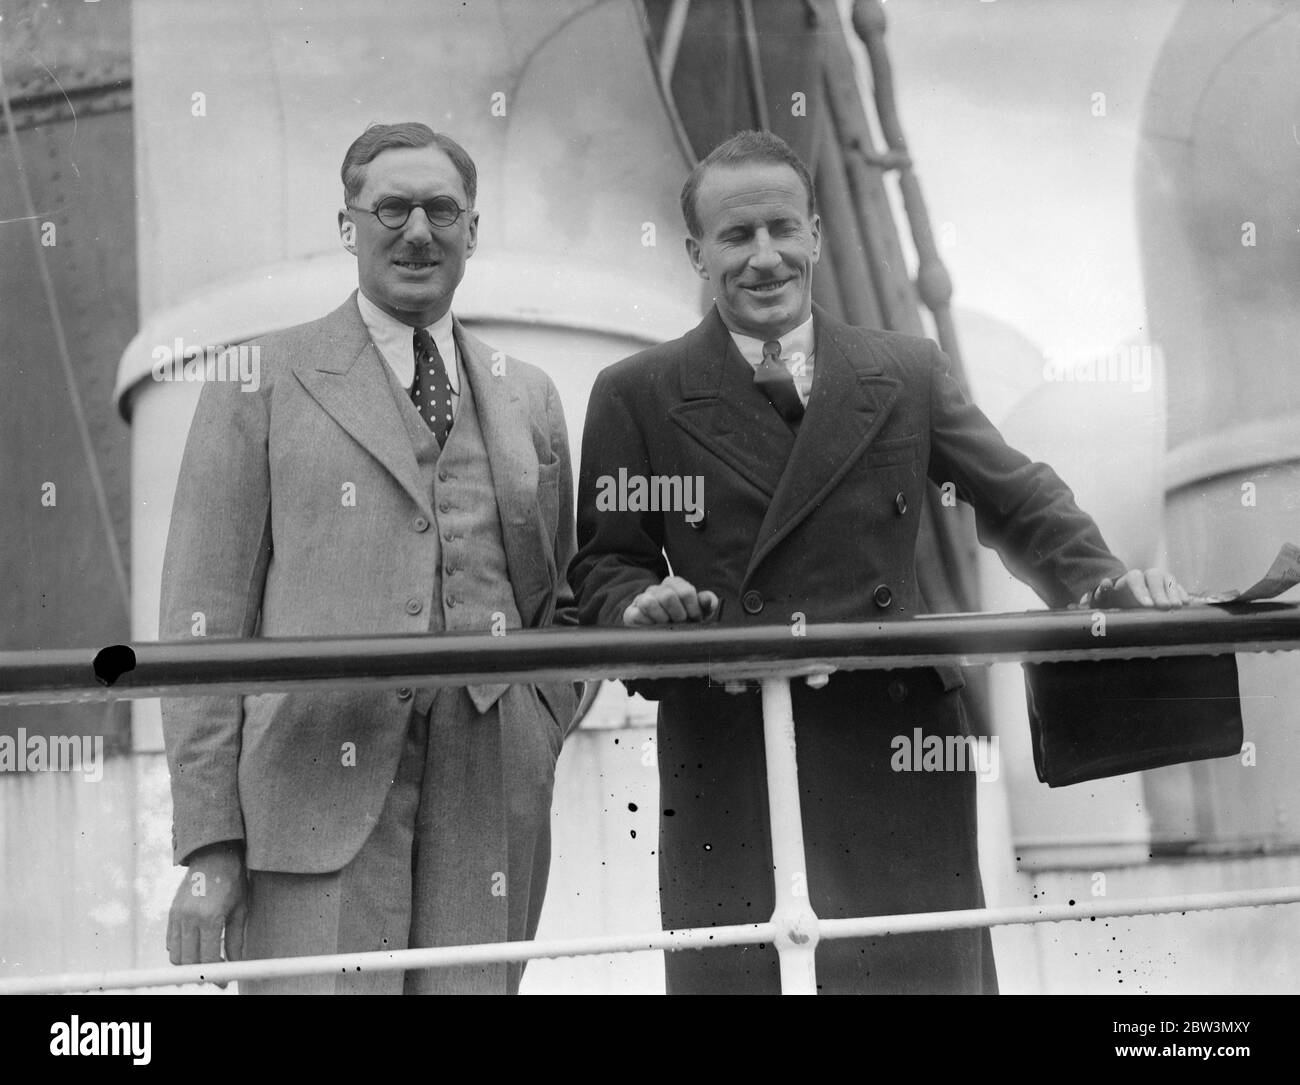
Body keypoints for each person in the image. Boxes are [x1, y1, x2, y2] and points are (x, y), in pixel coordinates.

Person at [568, 129, 1190, 995]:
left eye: (783, 229)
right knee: (747, 977)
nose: (765, 257)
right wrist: (640, 605)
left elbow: (1019, 498)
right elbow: (605, 565)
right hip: (730, 752)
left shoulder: (904, 372)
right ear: (695, 255)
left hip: (896, 746)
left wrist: (1108, 585)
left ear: (816, 235)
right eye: (736, 237)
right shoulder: (639, 394)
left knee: (913, 975)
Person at [160, 122, 578, 994]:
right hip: (313, 799)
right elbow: (200, 621)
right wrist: (210, 842)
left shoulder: (527, 394)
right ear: (348, 225)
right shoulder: (260, 377)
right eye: (391, 208)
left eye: (442, 210)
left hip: (490, 799)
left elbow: (558, 600)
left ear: (473, 228)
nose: (418, 231)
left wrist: (535, 722)